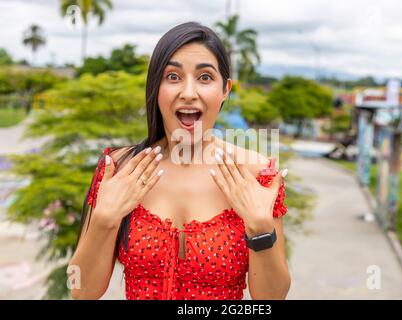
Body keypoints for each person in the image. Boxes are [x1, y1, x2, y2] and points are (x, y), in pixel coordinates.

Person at [68, 22, 291, 300]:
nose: (188, 92)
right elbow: (81, 290)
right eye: (172, 76)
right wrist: (104, 219)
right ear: (155, 87)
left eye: (205, 78)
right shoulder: (119, 169)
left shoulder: (258, 174)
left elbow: (271, 298)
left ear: (225, 90)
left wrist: (260, 227)